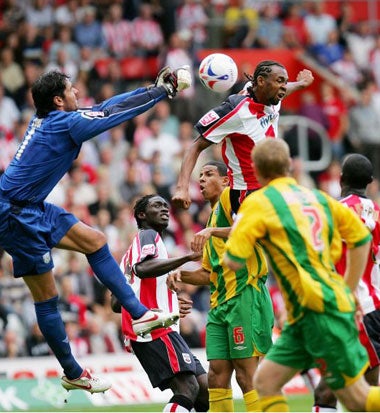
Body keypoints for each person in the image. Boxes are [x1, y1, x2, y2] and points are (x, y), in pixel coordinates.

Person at [0, 67, 191, 393]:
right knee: (47, 296)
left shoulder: (49, 118)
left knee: (95, 241)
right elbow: (111, 114)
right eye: (72, 90)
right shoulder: (65, 123)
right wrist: (160, 92)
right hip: (17, 214)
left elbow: (107, 105)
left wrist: (152, 88)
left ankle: (82, 364)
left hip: (25, 206)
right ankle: (126, 324)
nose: (78, 94)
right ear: (59, 99)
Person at [223, 139, 380, 412]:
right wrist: (348, 289)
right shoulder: (318, 197)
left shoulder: (258, 203)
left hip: (319, 310)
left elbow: (234, 261)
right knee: (266, 382)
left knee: (357, 400)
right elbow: (360, 239)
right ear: (289, 167)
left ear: (256, 171)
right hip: (306, 315)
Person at [168, 160, 274, 412]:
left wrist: (213, 231)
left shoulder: (230, 199)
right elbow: (208, 274)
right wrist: (177, 275)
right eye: (200, 175)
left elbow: (251, 228)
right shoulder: (211, 223)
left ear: (226, 181)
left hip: (245, 296)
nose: (201, 180)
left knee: (246, 375)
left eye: (209, 174)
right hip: (220, 304)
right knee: (215, 376)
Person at [172, 59, 314, 214]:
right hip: (247, 194)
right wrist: (182, 188)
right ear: (261, 81)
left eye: (285, 82)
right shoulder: (235, 111)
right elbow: (196, 146)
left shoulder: (271, 96)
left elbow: (284, 90)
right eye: (280, 81)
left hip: (272, 186)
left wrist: (301, 84)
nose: (284, 87)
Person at [111, 194, 209, 413]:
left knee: (204, 391)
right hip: (153, 327)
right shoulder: (148, 236)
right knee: (188, 388)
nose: (165, 208)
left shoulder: (128, 255)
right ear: (142, 215)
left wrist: (171, 303)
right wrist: (188, 257)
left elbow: (116, 303)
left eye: (166, 205)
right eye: (157, 205)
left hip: (155, 326)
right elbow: (143, 268)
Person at [313, 153, 380, 412]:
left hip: (350, 308)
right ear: (370, 182)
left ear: (340, 179)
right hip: (371, 307)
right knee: (363, 387)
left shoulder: (333, 211)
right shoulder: (377, 213)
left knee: (331, 390)